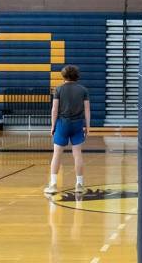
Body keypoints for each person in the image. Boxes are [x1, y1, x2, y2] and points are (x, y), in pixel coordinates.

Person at [44, 65, 91, 194]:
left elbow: (54, 109)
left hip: (62, 124)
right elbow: (87, 109)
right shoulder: (83, 90)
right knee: (77, 155)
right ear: (77, 75)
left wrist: (53, 126)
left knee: (57, 154)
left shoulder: (58, 89)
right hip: (78, 124)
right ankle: (79, 185)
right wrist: (88, 125)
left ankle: (53, 184)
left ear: (63, 75)